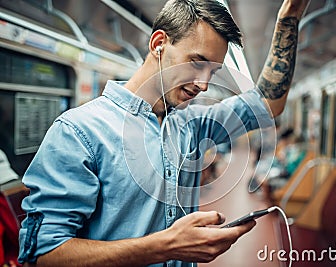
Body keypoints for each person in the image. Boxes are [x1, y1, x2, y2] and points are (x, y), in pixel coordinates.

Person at [18, 0, 310, 266]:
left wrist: (289, 20)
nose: (204, 84)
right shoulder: (78, 132)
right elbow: (45, 255)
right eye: (197, 63)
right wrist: (169, 245)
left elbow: (268, 102)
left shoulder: (191, 125)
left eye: (212, 72)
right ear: (159, 43)